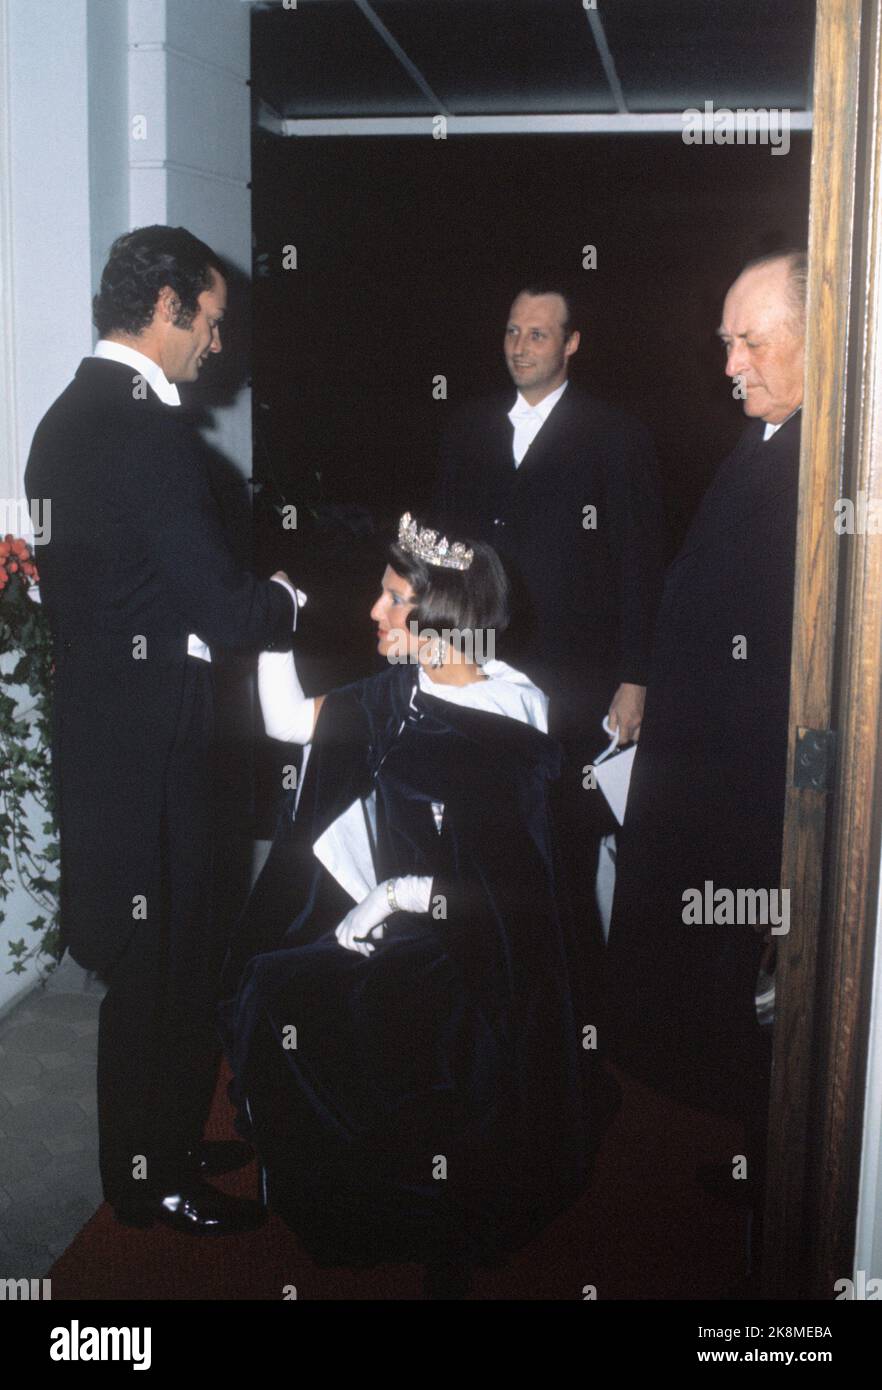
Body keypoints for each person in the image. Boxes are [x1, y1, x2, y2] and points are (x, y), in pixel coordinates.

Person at [220, 514, 596, 1296]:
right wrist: (272, 623)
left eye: (393, 600)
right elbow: (288, 722)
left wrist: (394, 898)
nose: (374, 613)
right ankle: (364, 1197)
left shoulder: (512, 720)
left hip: (477, 953)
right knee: (272, 983)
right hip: (394, 929)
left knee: (379, 1012)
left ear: (442, 619)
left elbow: (513, 896)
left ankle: (446, 1224)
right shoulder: (399, 691)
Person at [24, 225, 300, 1235]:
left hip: (102, 732)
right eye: (211, 324)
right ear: (169, 307)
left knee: (146, 969)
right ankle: (151, 1180)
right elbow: (226, 614)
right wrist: (283, 597)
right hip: (158, 746)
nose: (216, 347)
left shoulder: (62, 421)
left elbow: (116, 591)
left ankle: (160, 1146)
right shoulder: (149, 431)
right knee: (169, 968)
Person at [605, 250, 806, 1215]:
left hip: (753, 801)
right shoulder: (762, 440)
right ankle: (754, 1164)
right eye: (726, 340)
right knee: (722, 1006)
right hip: (702, 778)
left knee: (766, 1007)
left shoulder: (830, 470)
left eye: (750, 340)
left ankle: (783, 1216)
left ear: (823, 337)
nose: (729, 363)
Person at [434, 286, 665, 943]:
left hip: (574, 686)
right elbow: (444, 553)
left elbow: (640, 564)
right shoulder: (468, 429)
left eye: (538, 334)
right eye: (512, 331)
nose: (520, 346)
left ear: (571, 344)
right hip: (478, 675)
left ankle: (572, 1022)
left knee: (562, 852)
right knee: (484, 849)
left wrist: (635, 679)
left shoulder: (615, 435)